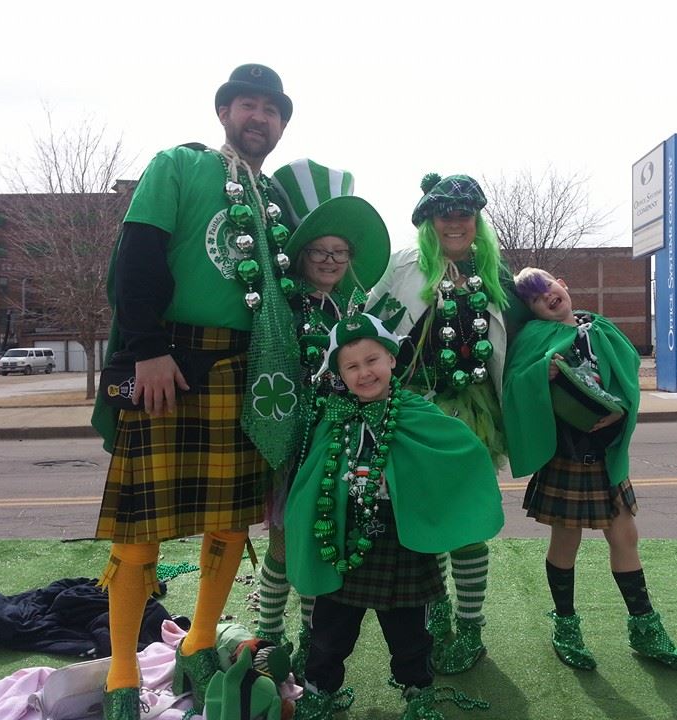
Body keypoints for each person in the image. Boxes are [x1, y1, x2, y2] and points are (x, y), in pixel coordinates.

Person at [90, 63, 302, 720]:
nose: (259, 118)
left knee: (229, 519)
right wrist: (145, 347)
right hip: (170, 361)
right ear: (225, 112)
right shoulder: (177, 166)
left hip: (245, 369)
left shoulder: (275, 201)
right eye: (248, 105)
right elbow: (139, 255)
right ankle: (122, 675)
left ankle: (201, 643)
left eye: (272, 109)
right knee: (139, 529)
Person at [284, 312, 503, 718]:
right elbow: (311, 477)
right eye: (351, 366)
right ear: (339, 374)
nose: (364, 373)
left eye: (372, 361)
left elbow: (461, 451)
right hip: (344, 540)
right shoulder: (332, 419)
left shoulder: (417, 412)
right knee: (330, 629)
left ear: (391, 360)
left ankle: (417, 690)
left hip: (401, 541)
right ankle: (318, 688)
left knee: (410, 632)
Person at [366, 172, 531, 673]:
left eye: (465, 213)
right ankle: (436, 612)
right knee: (424, 518)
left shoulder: (497, 276)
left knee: (466, 522)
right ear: (428, 220)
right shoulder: (404, 268)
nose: (455, 222)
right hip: (415, 412)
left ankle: (472, 624)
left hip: (474, 413)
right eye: (446, 213)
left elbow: (530, 334)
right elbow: (371, 326)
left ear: (477, 220)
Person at [501, 267, 677, 672]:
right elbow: (514, 383)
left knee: (625, 535)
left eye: (548, 288)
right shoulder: (534, 339)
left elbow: (625, 377)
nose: (547, 298)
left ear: (563, 283)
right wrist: (544, 373)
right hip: (567, 453)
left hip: (605, 452)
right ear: (533, 311)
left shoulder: (602, 329)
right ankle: (566, 626)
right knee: (565, 541)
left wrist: (619, 410)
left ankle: (645, 629)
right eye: (536, 299)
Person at [253, 159, 390, 675]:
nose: (330, 260)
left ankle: (310, 645)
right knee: (286, 544)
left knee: (321, 544)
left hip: (338, 446)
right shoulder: (281, 307)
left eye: (340, 252)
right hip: (293, 444)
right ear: (301, 254)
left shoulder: (353, 314)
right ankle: (266, 641)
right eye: (320, 251)